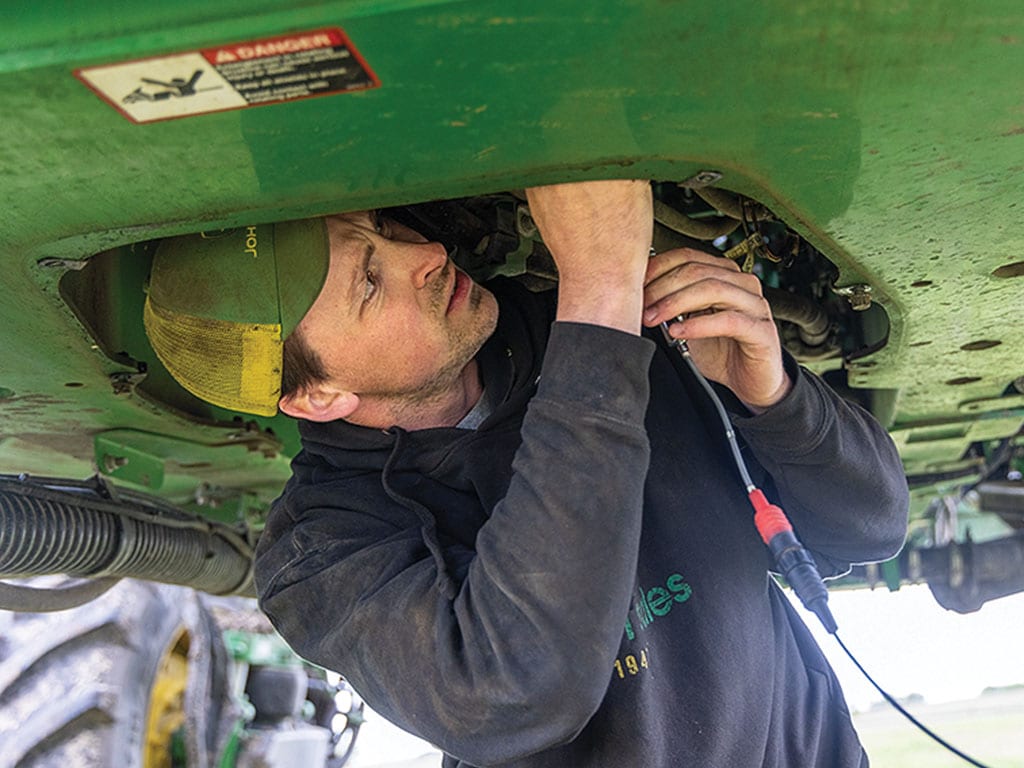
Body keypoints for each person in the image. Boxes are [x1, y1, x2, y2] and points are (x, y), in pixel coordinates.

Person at [143, 179, 909, 767]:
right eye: (370, 283)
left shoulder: (595, 328)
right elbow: (514, 695)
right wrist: (598, 299)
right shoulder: (323, 551)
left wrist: (770, 393)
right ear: (317, 395)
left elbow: (870, 526)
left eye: (384, 229)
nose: (428, 255)